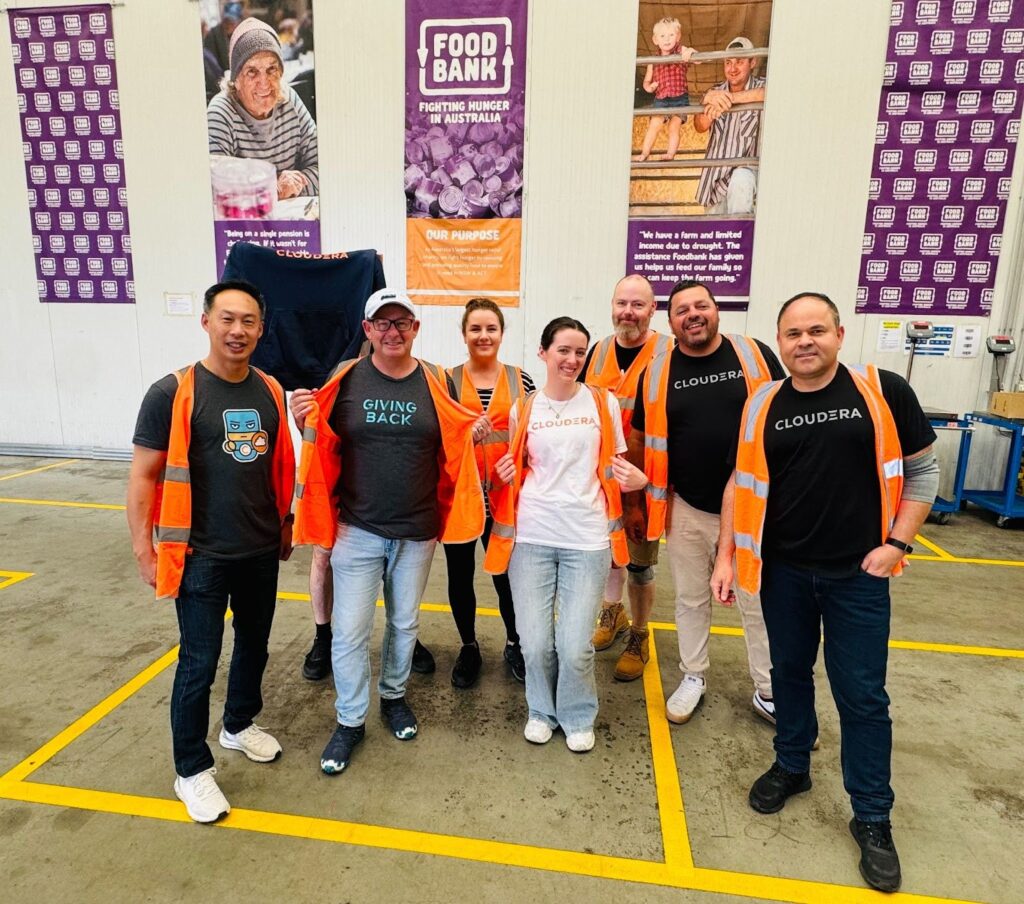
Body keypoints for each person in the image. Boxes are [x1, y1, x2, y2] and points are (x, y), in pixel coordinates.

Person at [712, 293, 939, 893]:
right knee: (788, 675)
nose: (804, 341)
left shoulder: (880, 390)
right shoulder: (762, 401)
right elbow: (743, 479)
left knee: (862, 696)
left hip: (857, 577)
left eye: (816, 330)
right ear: (779, 341)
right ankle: (793, 765)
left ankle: (872, 815)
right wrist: (728, 556)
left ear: (839, 334)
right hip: (783, 571)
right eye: (792, 333)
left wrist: (898, 543)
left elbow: (922, 472)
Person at [291, 288, 487, 776]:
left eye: (402, 322)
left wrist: (473, 435)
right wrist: (301, 424)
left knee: (404, 624)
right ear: (367, 330)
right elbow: (325, 444)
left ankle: (394, 697)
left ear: (416, 329)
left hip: (418, 530)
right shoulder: (345, 379)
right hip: (357, 528)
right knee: (351, 630)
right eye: (382, 323)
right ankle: (350, 720)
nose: (392, 331)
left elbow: (455, 436)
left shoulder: (438, 381)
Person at [126, 280, 295, 824]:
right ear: (206, 322)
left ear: (261, 328)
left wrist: (284, 525)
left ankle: (239, 724)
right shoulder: (171, 392)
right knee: (198, 661)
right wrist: (144, 552)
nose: (237, 330)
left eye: (248, 320)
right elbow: (143, 478)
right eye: (227, 318)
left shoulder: (270, 389)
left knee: (254, 645)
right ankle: (192, 769)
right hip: (200, 554)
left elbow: (278, 467)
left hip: (258, 549)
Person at [485, 317, 649, 753]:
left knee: (575, 645)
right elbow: (513, 468)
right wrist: (503, 474)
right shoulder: (525, 408)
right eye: (563, 351)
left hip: (587, 539)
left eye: (580, 352)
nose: (572, 360)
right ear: (543, 353)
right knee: (536, 643)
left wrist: (634, 478)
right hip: (532, 537)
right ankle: (541, 710)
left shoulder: (601, 403)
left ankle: (577, 715)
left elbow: (614, 463)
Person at [627, 279, 783, 725]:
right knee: (692, 599)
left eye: (701, 306)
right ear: (670, 321)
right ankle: (693, 676)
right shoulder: (656, 371)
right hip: (688, 507)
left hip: (755, 509)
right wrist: (636, 504)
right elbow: (639, 437)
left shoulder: (753, 355)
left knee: (757, 601)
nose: (693, 314)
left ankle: (769, 690)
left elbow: (784, 416)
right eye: (682, 310)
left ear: (716, 311)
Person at [582, 275, 672, 681]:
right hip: (601, 480)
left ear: (653, 310)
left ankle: (638, 632)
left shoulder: (669, 352)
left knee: (639, 563)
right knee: (609, 555)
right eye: (622, 303)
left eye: (638, 305)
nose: (628, 312)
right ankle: (612, 613)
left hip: (644, 480)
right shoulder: (597, 351)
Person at [443, 298, 535, 688]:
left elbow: (535, 439)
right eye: (475, 329)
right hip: (460, 500)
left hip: (504, 500)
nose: (483, 336)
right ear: (464, 334)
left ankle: (515, 642)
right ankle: (468, 646)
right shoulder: (445, 381)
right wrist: (464, 435)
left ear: (501, 333)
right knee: (459, 576)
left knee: (507, 577)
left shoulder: (522, 380)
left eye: (490, 329)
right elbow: (438, 439)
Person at [207, 17, 319, 200]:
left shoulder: (290, 101)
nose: (264, 83)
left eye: (271, 69)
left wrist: (294, 186)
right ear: (236, 80)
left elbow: (324, 168)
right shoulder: (221, 112)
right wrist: (274, 190)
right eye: (252, 71)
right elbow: (215, 190)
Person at [694, 37, 765, 214]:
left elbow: (771, 93)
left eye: (739, 61)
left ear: (753, 62)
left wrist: (731, 99)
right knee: (715, 237)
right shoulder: (715, 91)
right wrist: (708, 101)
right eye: (728, 62)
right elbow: (699, 126)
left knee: (741, 179)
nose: (732, 68)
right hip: (715, 180)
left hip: (746, 172)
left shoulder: (761, 85)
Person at [638, 17, 697, 162]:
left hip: (679, 98)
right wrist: (649, 87)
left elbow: (699, 59)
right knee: (654, 125)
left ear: (678, 37)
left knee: (674, 126)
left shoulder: (681, 51)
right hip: (661, 99)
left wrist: (690, 52)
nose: (667, 39)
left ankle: (670, 154)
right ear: (655, 40)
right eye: (662, 36)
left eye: (671, 35)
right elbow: (646, 81)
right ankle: (644, 153)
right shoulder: (653, 60)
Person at [202, 2, 242, 75]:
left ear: (238, 22)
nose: (227, 25)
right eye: (226, 21)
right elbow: (210, 62)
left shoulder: (242, 35)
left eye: (231, 22)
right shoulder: (213, 35)